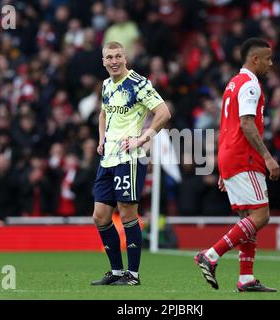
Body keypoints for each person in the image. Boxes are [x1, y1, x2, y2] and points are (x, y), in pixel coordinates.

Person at [195, 38, 280, 292]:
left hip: (230, 155)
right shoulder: (250, 85)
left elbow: (227, 126)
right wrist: (267, 156)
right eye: (268, 58)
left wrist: (223, 165)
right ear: (255, 59)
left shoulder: (233, 83)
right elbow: (245, 123)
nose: (270, 63)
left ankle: (246, 279)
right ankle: (210, 255)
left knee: (247, 217)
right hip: (245, 157)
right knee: (261, 215)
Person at [91, 41, 171, 286]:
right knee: (100, 216)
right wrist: (102, 138)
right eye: (109, 57)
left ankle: (133, 275)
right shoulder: (106, 84)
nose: (113, 61)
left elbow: (163, 112)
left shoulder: (139, 83)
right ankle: (116, 272)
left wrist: (143, 138)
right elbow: (104, 113)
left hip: (130, 158)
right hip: (108, 159)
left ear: (125, 58)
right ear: (103, 61)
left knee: (127, 213)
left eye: (117, 56)